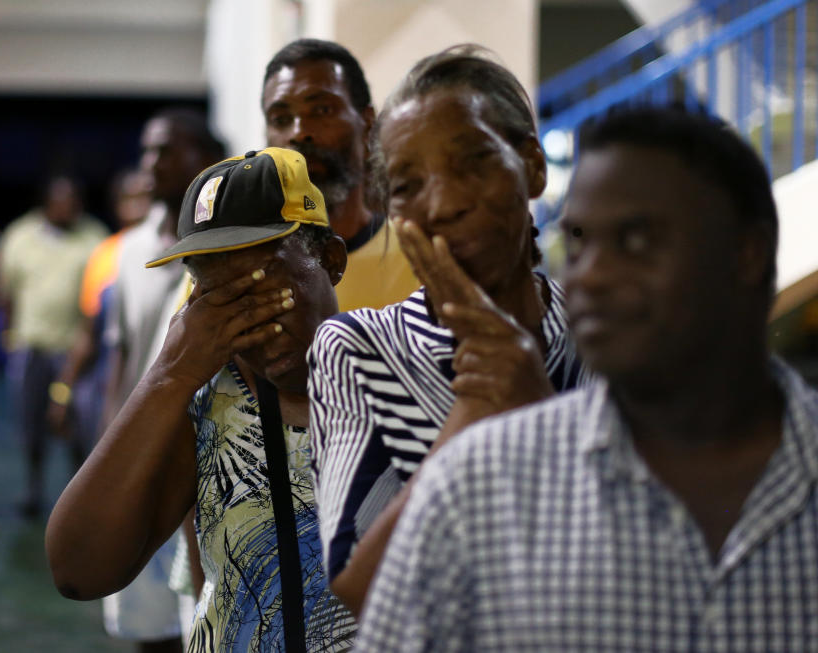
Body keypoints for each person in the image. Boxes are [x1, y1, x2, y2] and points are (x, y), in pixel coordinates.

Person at [356, 105, 818, 650]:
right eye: (578, 241)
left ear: (747, 253)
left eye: (636, 240)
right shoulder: (474, 491)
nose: (590, 275)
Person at [308, 45, 588, 616]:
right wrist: (478, 405)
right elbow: (361, 585)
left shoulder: (607, 338)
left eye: (474, 163)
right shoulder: (358, 349)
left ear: (532, 166)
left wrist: (533, 401)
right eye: (408, 185)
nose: (444, 204)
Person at [46, 148, 357, 651]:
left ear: (330, 259)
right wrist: (170, 374)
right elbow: (77, 570)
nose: (248, 319)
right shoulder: (208, 405)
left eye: (263, 284)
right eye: (220, 299)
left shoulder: (390, 373)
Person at [99, 109, 224, 653]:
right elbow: (121, 351)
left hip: (208, 457)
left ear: (206, 159)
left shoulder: (229, 243)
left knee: (205, 613)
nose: (152, 163)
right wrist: (112, 446)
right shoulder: (128, 249)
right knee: (148, 619)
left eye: (167, 150)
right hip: (145, 448)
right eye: (148, 151)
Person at [263, 38, 418, 311]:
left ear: (368, 125)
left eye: (322, 110)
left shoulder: (420, 259)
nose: (299, 132)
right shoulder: (236, 263)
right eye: (281, 119)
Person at [0, 175, 108, 518]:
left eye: (74, 201)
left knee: (77, 426)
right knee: (30, 424)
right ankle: (33, 488)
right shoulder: (19, 236)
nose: (68, 208)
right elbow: (6, 293)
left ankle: (78, 492)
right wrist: (10, 337)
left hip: (75, 350)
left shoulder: (94, 237)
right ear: (46, 203)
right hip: (31, 348)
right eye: (61, 201)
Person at [46, 168, 151, 449]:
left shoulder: (174, 252)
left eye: (145, 198)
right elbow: (88, 332)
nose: (137, 206)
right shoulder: (105, 255)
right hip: (109, 382)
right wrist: (62, 390)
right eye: (128, 198)